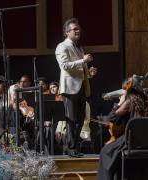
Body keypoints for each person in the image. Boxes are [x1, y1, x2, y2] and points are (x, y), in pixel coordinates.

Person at [96, 75, 148, 180]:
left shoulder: (130, 102)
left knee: (105, 151)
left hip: (133, 142)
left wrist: (119, 102)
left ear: (128, 90)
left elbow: (112, 118)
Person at [55, 18, 97, 156]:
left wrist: (89, 73)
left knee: (80, 120)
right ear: (67, 32)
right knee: (71, 119)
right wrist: (83, 60)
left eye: (79, 29)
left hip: (81, 87)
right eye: (75, 29)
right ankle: (70, 148)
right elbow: (65, 66)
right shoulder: (62, 46)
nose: (78, 31)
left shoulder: (79, 48)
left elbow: (80, 70)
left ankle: (73, 146)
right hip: (70, 88)